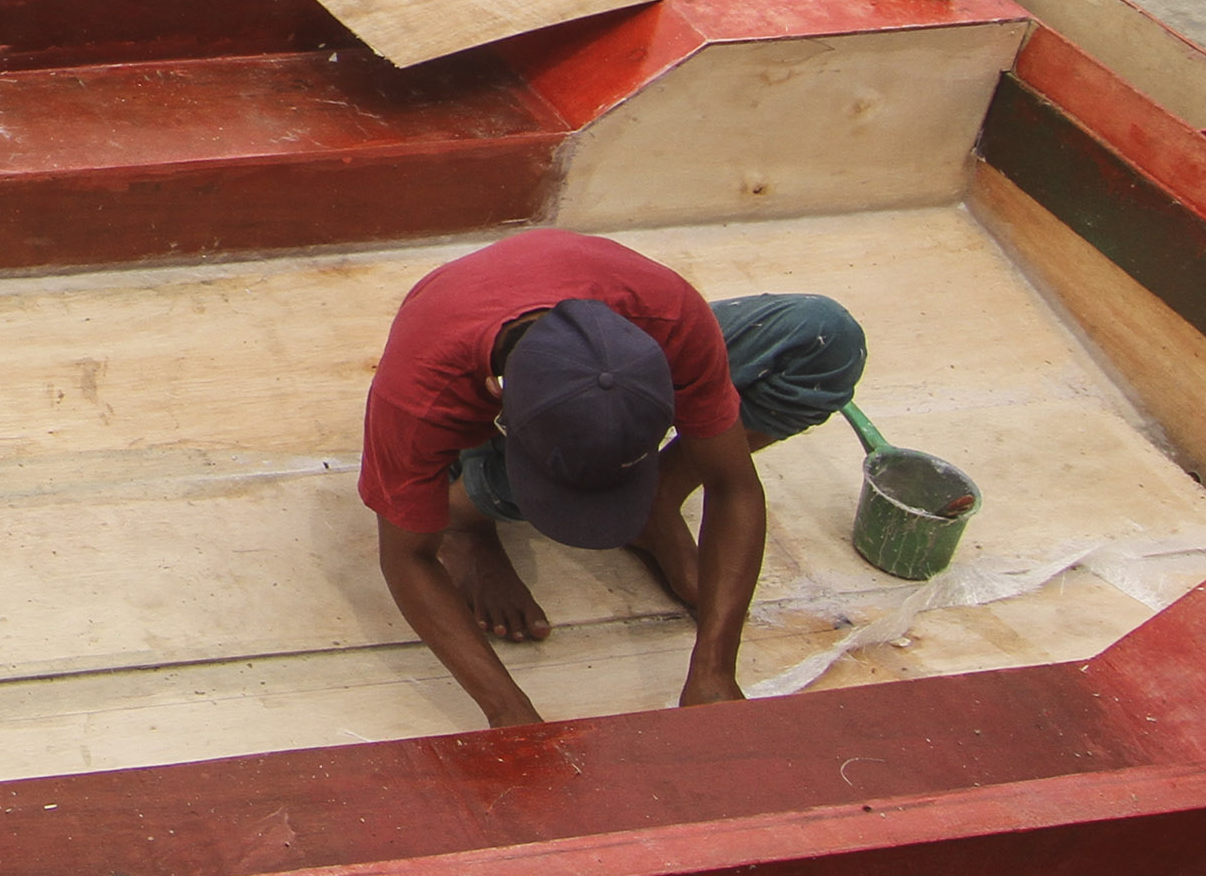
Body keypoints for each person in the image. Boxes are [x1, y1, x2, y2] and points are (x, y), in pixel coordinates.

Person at [359, 230, 869, 726]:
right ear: (496, 397)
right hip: (465, 362)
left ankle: (658, 501)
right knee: (427, 507)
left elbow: (733, 485)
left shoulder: (670, 319)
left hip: (618, 328)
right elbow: (406, 556)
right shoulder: (421, 391)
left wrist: (714, 668)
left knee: (825, 337)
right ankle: (468, 522)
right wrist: (511, 716)